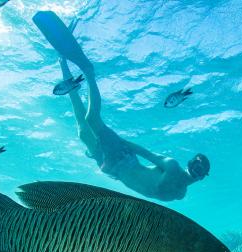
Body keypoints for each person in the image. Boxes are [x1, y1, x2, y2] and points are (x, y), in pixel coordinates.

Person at [36, 13, 209, 201]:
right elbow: (145, 153)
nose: (195, 171)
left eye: (199, 170)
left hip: (111, 169)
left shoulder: (179, 195)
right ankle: (89, 72)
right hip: (122, 158)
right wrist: (115, 141)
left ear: (202, 177)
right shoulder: (172, 166)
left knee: (82, 130)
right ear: (189, 163)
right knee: (91, 120)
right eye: (196, 166)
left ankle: (63, 64)